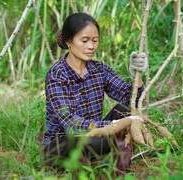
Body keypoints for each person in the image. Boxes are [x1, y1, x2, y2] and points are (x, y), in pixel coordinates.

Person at [42, 12, 148, 176]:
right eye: (84, 41)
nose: (91, 46)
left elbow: (130, 99)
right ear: (69, 41)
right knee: (75, 140)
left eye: (95, 40)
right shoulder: (57, 75)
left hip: (93, 139)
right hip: (60, 149)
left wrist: (137, 76)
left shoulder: (100, 69)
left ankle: (121, 174)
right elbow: (71, 125)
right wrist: (112, 125)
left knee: (125, 111)